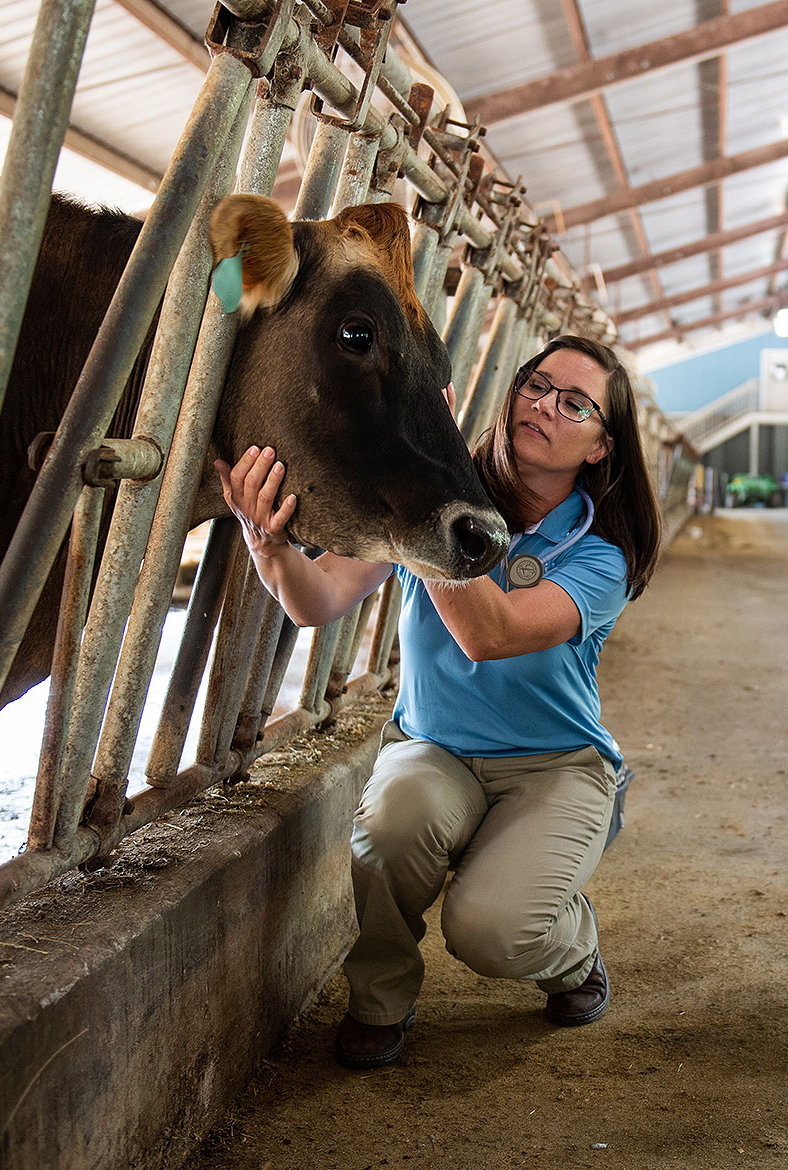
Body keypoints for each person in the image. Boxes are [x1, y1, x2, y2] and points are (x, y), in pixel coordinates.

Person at [217, 335, 661, 1070]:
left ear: (600, 448)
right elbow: (318, 599)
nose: (544, 405)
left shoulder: (599, 553)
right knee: (391, 827)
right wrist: (268, 545)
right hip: (437, 749)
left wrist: (432, 498)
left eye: (574, 404)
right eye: (536, 385)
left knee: (491, 930)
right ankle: (380, 1001)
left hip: (554, 768)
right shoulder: (440, 493)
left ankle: (572, 950)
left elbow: (492, 634)